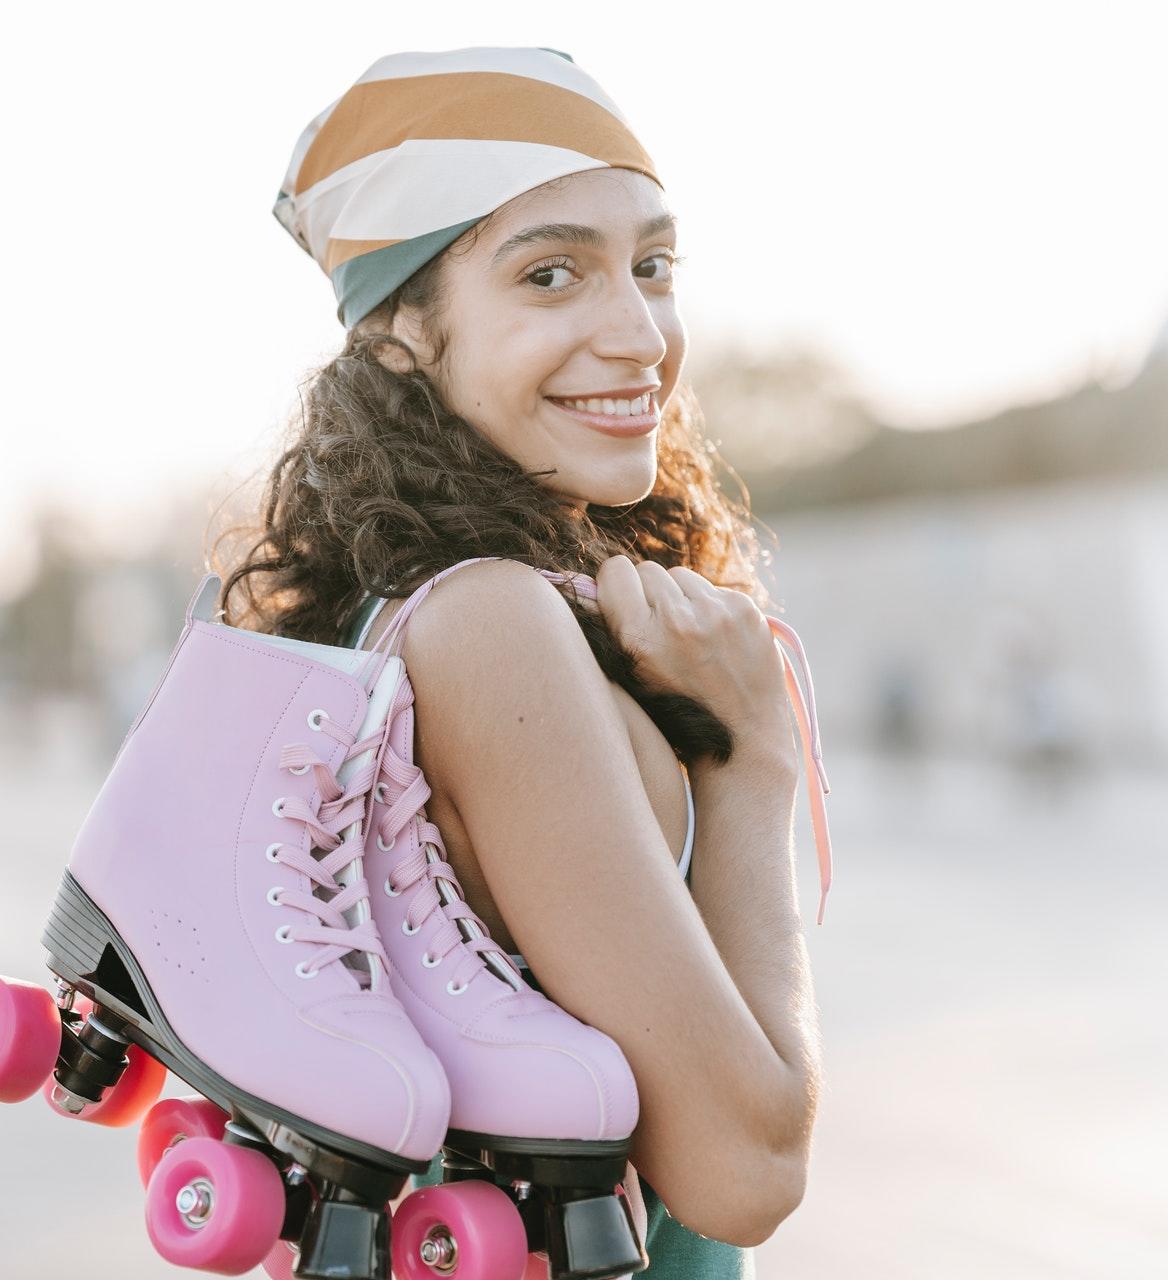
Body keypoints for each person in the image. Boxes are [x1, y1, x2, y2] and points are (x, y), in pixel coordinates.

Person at [217, 47, 823, 1274]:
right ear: (398, 340)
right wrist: (752, 761)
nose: (640, 332)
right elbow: (743, 1169)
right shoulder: (489, 625)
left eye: (652, 266)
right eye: (551, 275)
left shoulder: (410, 616)